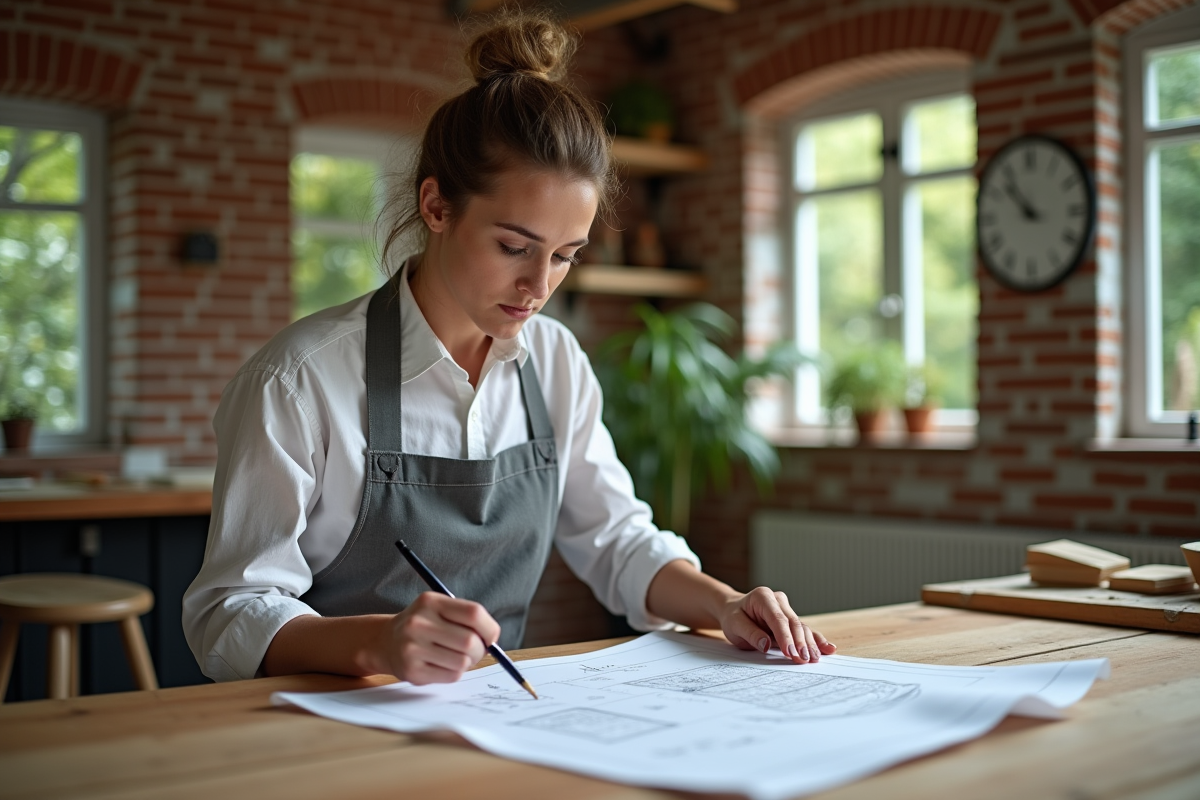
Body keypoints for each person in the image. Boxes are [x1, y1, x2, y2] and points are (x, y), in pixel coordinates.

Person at [182, 11, 835, 686]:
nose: (538, 285)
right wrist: (378, 647)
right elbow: (228, 612)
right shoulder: (299, 380)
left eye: (564, 257)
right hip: (321, 734)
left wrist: (723, 603)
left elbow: (615, 540)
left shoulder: (555, 362)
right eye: (515, 247)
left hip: (492, 721)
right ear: (436, 207)